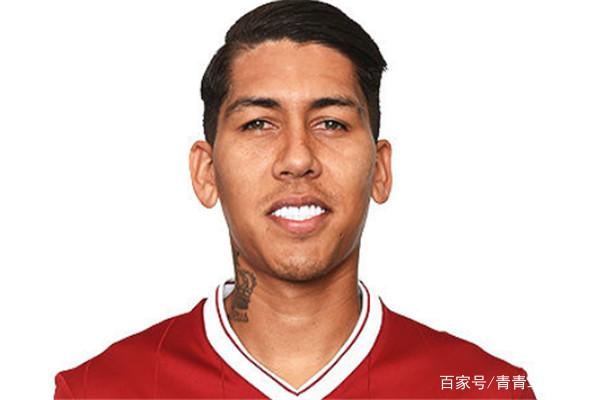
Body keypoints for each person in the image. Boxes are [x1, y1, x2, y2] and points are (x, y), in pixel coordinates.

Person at [54, 0, 536, 398]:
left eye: (331, 123)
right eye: (258, 123)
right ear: (206, 172)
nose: (298, 158)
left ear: (380, 169)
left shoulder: (485, 389)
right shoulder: (100, 390)